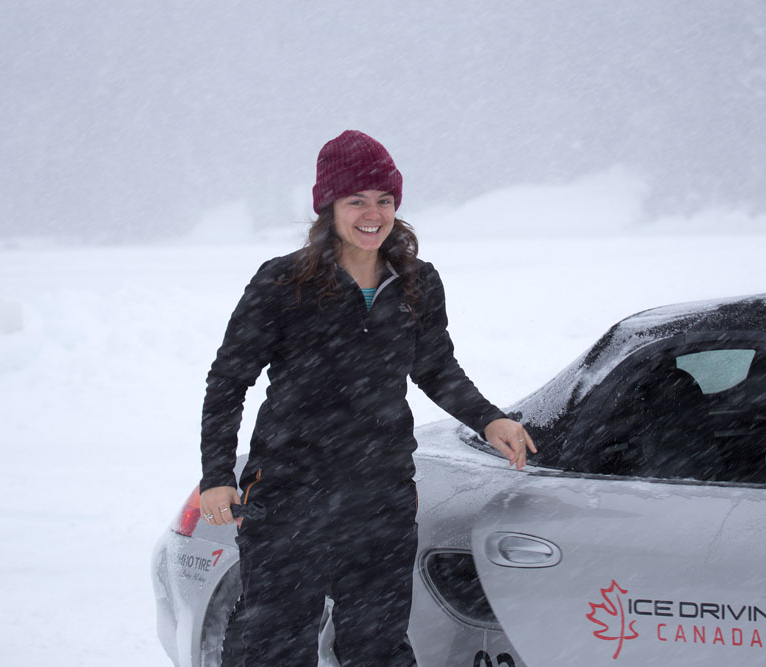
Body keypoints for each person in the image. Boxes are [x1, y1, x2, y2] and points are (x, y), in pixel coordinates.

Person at [198, 129, 536, 667]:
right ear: (329, 207)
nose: (372, 213)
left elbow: (435, 367)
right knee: (275, 645)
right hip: (289, 492)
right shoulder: (282, 282)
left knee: (377, 646)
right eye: (356, 200)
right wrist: (216, 473)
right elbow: (227, 380)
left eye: (384, 200)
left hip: (380, 494)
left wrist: (489, 419)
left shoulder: (416, 282)